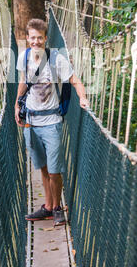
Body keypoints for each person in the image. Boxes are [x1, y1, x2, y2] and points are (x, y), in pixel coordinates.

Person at [15, 18, 89, 226]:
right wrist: (16, 105)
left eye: (40, 38)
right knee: (43, 168)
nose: (36, 41)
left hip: (51, 122)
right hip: (30, 121)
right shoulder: (25, 57)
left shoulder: (56, 59)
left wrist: (82, 97)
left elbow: (75, 81)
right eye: (32, 38)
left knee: (55, 170)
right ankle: (48, 207)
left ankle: (57, 207)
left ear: (46, 38)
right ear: (27, 39)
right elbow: (23, 82)